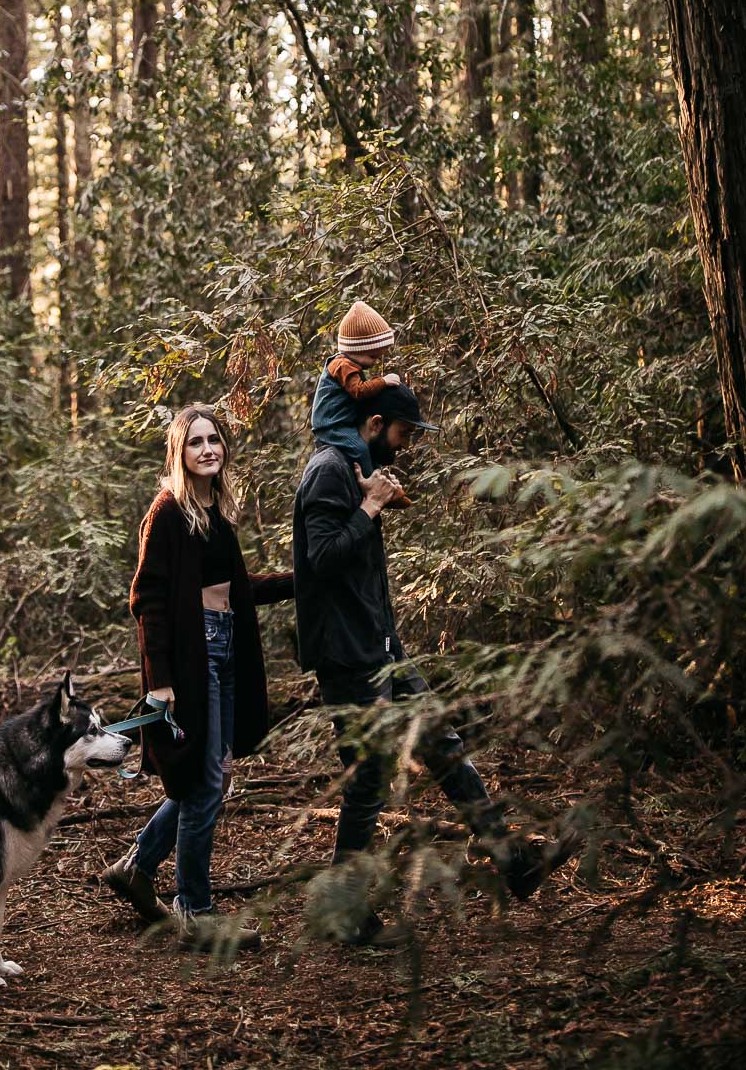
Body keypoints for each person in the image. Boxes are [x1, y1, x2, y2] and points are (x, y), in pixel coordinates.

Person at [293, 381, 576, 945]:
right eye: (403, 433)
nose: (406, 445)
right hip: (348, 655)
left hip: (381, 648)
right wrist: (370, 507)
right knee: (368, 777)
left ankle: (514, 861)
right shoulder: (328, 470)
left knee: (443, 745)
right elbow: (321, 558)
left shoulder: (354, 467)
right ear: (375, 424)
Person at [103, 403, 293, 944]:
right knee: (206, 779)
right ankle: (195, 910)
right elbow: (148, 598)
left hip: (227, 647)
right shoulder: (168, 511)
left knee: (213, 775)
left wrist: (300, 581)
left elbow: (236, 588)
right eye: (195, 442)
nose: (207, 449)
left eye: (214, 440)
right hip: (193, 656)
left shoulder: (215, 510)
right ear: (179, 452)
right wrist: (161, 680)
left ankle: (137, 866)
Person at [311, 301, 412, 504]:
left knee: (369, 449)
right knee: (359, 449)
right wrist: (383, 381)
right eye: (372, 356)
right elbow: (358, 391)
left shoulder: (350, 364)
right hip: (331, 424)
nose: (375, 361)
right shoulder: (342, 366)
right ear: (356, 349)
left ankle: (383, 483)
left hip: (343, 419)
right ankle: (374, 488)